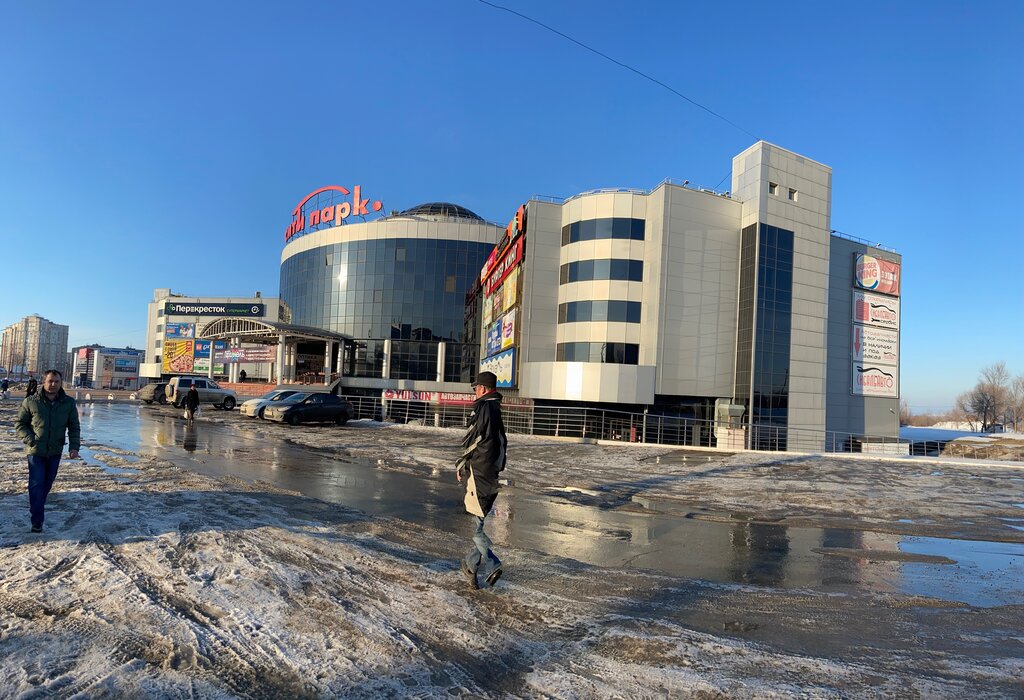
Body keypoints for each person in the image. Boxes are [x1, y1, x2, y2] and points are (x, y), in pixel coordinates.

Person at [456, 371, 508, 589]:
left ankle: (493, 564)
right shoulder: (495, 408)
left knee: (477, 526)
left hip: (479, 473)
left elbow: (476, 439)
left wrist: (462, 462)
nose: (475, 391)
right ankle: (470, 566)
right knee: (478, 520)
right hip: (490, 473)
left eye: (476, 388)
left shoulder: (484, 407)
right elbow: (500, 442)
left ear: (484, 389)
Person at [15, 369, 81, 533]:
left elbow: (74, 426)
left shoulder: (68, 403)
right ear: (43, 382)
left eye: (57, 381)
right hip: (35, 451)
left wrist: (74, 447)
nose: (53, 384)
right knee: (37, 483)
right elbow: (20, 424)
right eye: (50, 381)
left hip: (55, 451)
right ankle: (37, 520)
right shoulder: (31, 401)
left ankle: (37, 506)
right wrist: (31, 440)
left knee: (47, 484)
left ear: (61, 383)